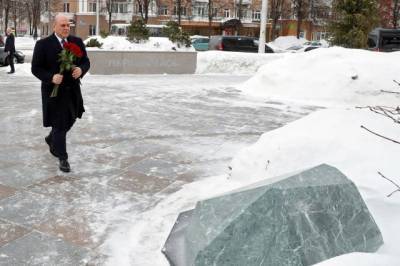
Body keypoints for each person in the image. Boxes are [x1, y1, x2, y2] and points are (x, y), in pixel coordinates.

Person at [31, 14, 90, 172]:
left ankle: (51, 138)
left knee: (72, 117)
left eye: (68, 25)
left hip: (73, 91)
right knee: (60, 124)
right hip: (53, 92)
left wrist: (81, 69)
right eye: (62, 25)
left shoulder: (76, 42)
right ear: (54, 26)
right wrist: (51, 77)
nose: (66, 28)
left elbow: (86, 61)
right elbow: (35, 68)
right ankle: (62, 157)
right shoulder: (43, 44)